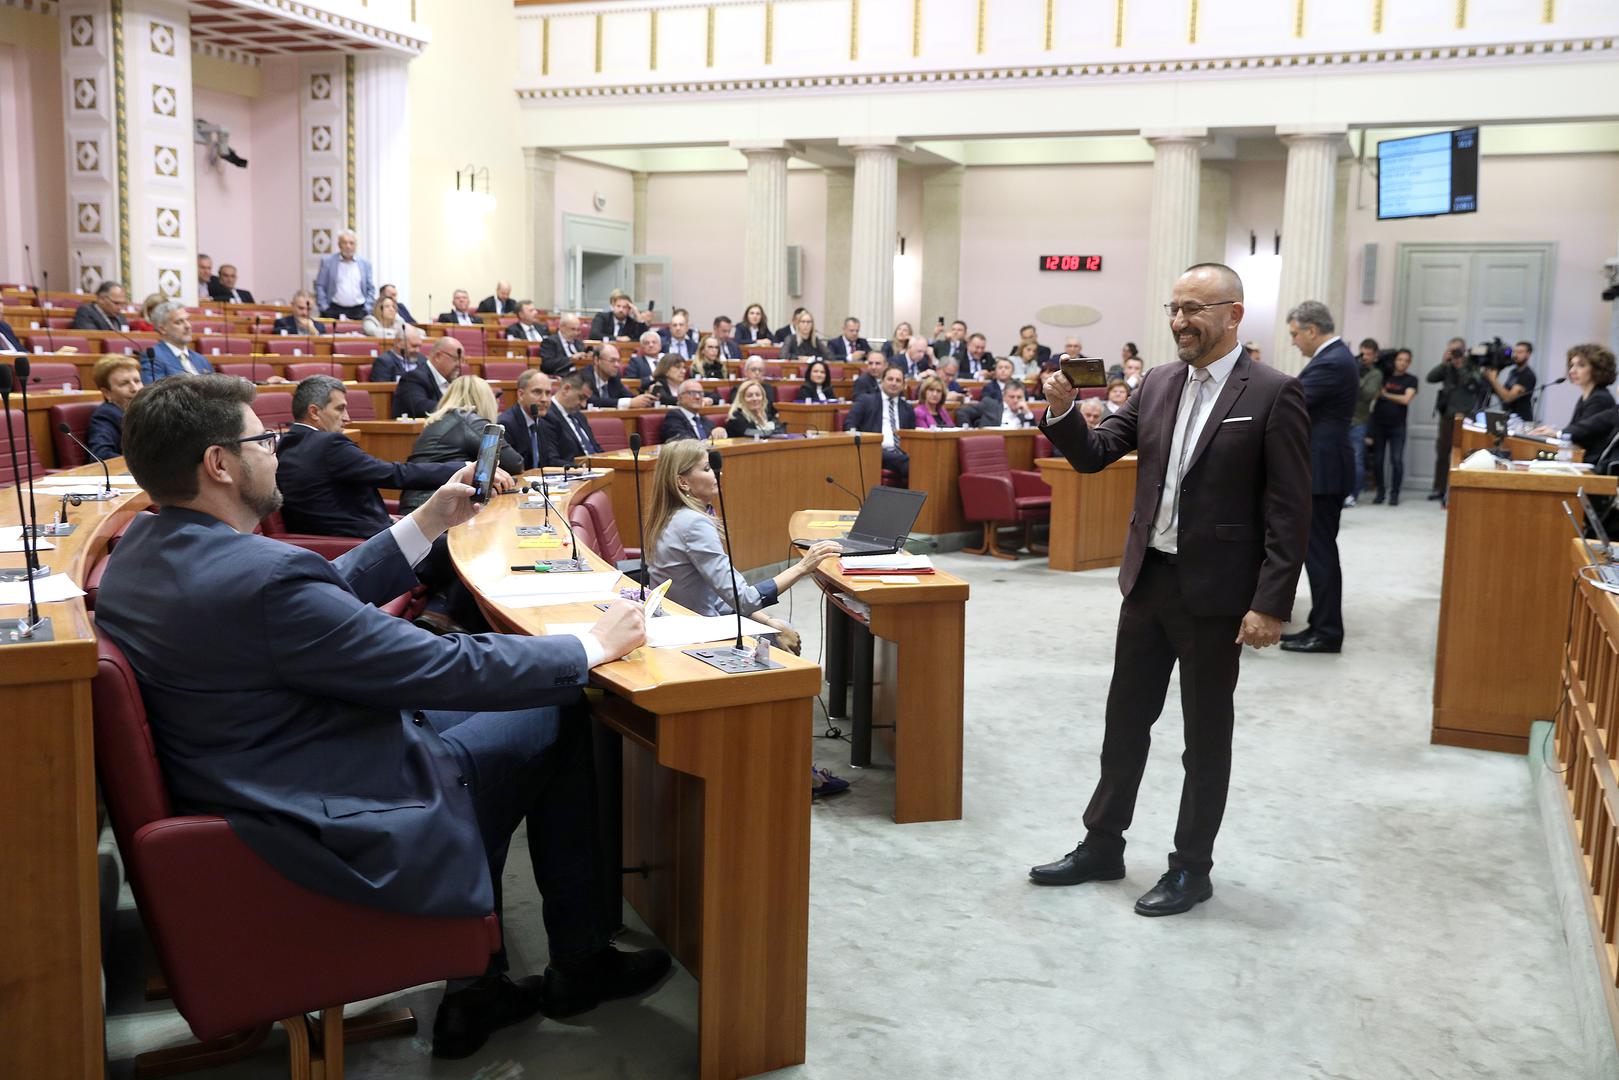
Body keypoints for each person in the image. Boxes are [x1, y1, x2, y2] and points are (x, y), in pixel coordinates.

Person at [95, 374, 668, 1060]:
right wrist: (587, 645)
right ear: (219, 464)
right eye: (265, 440)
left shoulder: (141, 551)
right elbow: (440, 666)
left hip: (254, 774)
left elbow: (318, 603)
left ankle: (481, 986)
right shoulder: (264, 580)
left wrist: (429, 521)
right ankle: (575, 962)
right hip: (327, 811)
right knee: (557, 701)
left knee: (521, 702)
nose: (278, 451)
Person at [1028, 262, 1311, 917]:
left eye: (1196, 308)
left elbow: (1289, 509)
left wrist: (1270, 604)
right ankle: (1101, 846)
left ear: (1233, 313)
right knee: (1122, 725)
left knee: (1203, 738)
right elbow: (1095, 453)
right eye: (1174, 308)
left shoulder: (1272, 392)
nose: (1181, 320)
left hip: (1215, 597)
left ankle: (1190, 869)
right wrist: (1063, 412)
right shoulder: (1156, 383)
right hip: (1147, 582)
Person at [640, 439, 847, 794]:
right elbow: (743, 596)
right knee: (787, 655)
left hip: (690, 623)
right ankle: (793, 771)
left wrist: (766, 621)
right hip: (700, 636)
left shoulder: (676, 515)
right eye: (706, 468)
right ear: (683, 482)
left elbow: (720, 596)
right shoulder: (694, 523)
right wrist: (803, 566)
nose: (715, 472)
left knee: (780, 629)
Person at [279, 374, 467, 536]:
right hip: (361, 545)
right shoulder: (329, 444)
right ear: (314, 412)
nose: (347, 418)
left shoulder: (284, 445)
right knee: (459, 551)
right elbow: (396, 474)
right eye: (339, 409)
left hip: (336, 541)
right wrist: (463, 468)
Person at [1280, 300, 1357, 656]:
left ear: (1312, 330)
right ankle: (1320, 625)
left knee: (1320, 553)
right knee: (1319, 551)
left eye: (1296, 334)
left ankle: (1327, 631)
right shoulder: (1335, 358)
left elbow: (1290, 405)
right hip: (1324, 468)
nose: (1295, 342)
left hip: (1322, 471)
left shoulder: (1332, 362)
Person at [399, 377, 525, 514]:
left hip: (416, 506)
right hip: (435, 510)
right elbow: (515, 463)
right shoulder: (470, 421)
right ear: (485, 399)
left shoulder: (438, 420)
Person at [1425, 336, 1486, 503]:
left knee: (1463, 453)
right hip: (1447, 415)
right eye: (1451, 350)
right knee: (1442, 453)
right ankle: (1439, 489)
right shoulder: (1447, 366)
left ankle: (1460, 488)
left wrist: (1460, 366)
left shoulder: (1472, 365)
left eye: (1457, 350)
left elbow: (1476, 383)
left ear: (1464, 350)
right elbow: (1430, 378)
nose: (1455, 354)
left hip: (1465, 417)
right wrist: (1445, 363)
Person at [1531, 344, 1619, 457]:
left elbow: (1584, 433)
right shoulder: (1585, 397)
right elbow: (1575, 429)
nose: (1572, 371)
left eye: (1581, 366)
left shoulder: (1601, 398)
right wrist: (1554, 433)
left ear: (1597, 369)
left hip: (1590, 462)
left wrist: (1557, 434)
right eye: (1571, 365)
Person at [844, 365, 913, 484]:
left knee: (916, 460)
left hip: (901, 452)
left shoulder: (907, 408)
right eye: (890, 379)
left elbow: (912, 434)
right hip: (875, 450)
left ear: (903, 385)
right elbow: (849, 424)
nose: (894, 383)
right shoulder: (866, 401)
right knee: (910, 463)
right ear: (882, 381)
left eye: (898, 380)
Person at [1368, 349, 1419, 505]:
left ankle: (1395, 494)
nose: (1402, 363)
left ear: (1409, 362)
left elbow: (1406, 399)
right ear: (1394, 361)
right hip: (1379, 424)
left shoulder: (1411, 380)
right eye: (1399, 359)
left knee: (1396, 460)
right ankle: (1380, 492)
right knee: (1377, 461)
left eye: (1405, 360)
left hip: (1398, 426)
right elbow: (1373, 395)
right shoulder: (1383, 375)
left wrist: (1386, 395)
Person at [1346, 338, 1384, 508]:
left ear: (1375, 356)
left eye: (1369, 354)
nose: (1365, 357)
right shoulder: (1353, 368)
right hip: (1343, 419)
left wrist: (1356, 377)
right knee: (1342, 460)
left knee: (1357, 459)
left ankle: (1353, 495)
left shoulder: (1376, 374)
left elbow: (1368, 393)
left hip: (1359, 421)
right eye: (1363, 353)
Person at [500, 369, 562, 471]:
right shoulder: (506, 424)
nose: (544, 399)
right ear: (521, 395)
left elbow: (550, 460)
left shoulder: (545, 422)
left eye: (548, 393)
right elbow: (512, 469)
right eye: (537, 392)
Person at [141, 302, 215, 382]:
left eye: (187, 320)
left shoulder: (201, 359)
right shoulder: (154, 357)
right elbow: (155, 392)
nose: (188, 326)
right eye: (179, 322)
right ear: (162, 329)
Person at [393, 337, 465, 419]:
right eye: (456, 359)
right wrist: (459, 408)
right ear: (438, 356)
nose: (459, 365)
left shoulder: (455, 380)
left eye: (462, 360)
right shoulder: (413, 378)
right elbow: (422, 407)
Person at [87, 355, 142, 460]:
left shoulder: (147, 409)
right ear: (107, 393)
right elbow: (100, 455)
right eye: (124, 384)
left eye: (137, 381)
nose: (135, 388)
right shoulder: (105, 415)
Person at [313, 230, 375, 320]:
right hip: (334, 309)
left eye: (351, 243)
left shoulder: (365, 264)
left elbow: (370, 288)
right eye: (344, 243)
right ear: (339, 245)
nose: (348, 246)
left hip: (359, 310)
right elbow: (320, 286)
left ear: (356, 245)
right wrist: (324, 307)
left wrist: (367, 308)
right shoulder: (328, 262)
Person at [547, 372, 604, 459]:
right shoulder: (547, 416)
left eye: (586, 399)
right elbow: (552, 460)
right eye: (581, 397)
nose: (584, 405)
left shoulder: (580, 416)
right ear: (566, 389)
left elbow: (596, 448)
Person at [587, 344, 655, 410]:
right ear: (596, 360)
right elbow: (591, 401)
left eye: (618, 361)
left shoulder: (615, 377)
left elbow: (629, 397)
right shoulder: (584, 377)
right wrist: (628, 403)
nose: (617, 365)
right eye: (612, 360)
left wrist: (646, 399)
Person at [1484, 340, 1537, 423]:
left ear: (1528, 354)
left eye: (1520, 352)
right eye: (1515, 352)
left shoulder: (1528, 375)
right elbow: (1502, 393)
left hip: (1520, 421)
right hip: (1507, 417)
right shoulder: (1513, 372)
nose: (1516, 355)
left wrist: (1493, 380)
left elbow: (1508, 398)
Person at [960, 381, 1036, 429]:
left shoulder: (1025, 413)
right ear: (1004, 396)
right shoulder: (990, 405)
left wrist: (1027, 413)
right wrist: (968, 430)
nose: (1015, 400)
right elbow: (962, 412)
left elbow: (1033, 432)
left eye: (1019, 397)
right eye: (1012, 397)